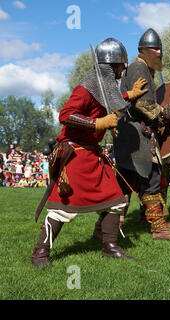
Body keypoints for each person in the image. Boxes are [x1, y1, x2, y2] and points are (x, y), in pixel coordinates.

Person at [30, 37, 134, 267]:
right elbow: (65, 115)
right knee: (62, 208)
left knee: (116, 199)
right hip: (75, 154)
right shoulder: (87, 87)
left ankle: (110, 246)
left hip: (94, 154)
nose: (123, 69)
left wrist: (129, 96)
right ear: (111, 64)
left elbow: (110, 101)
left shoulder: (106, 87)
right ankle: (40, 253)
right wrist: (98, 124)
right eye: (121, 65)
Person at [114, 27, 170, 240]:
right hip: (137, 134)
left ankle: (107, 227)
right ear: (142, 50)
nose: (159, 52)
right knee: (152, 178)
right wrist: (164, 114)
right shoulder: (139, 68)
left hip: (128, 133)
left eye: (159, 48)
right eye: (154, 48)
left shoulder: (140, 69)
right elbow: (142, 103)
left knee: (126, 182)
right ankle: (158, 228)